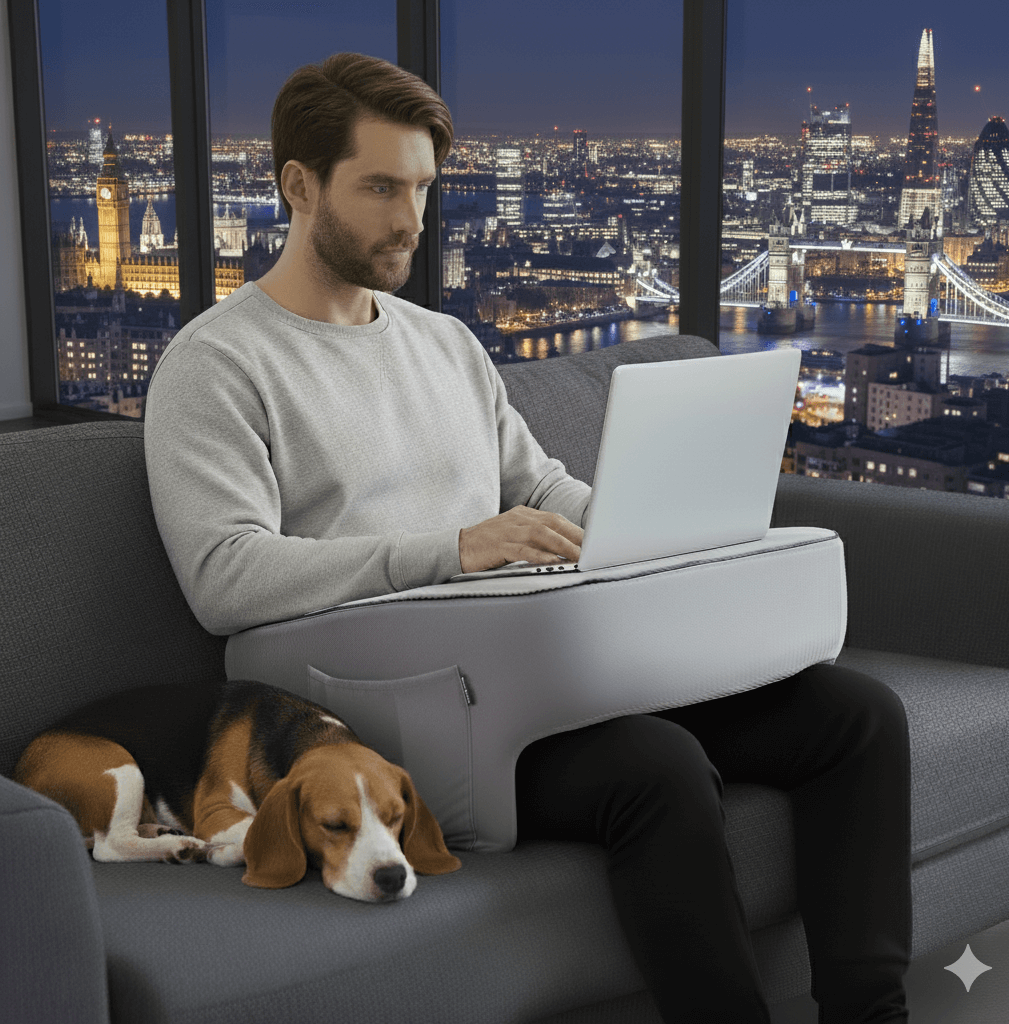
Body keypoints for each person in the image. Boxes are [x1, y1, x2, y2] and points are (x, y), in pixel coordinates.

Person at [144, 53, 912, 1024]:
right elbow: (225, 579)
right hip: (403, 710)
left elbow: (537, 486)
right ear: (298, 186)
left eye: (422, 187)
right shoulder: (215, 364)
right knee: (657, 768)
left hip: (538, 664)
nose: (410, 219)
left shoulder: (446, 342)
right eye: (379, 186)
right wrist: (456, 548)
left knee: (857, 715)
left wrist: (649, 518)